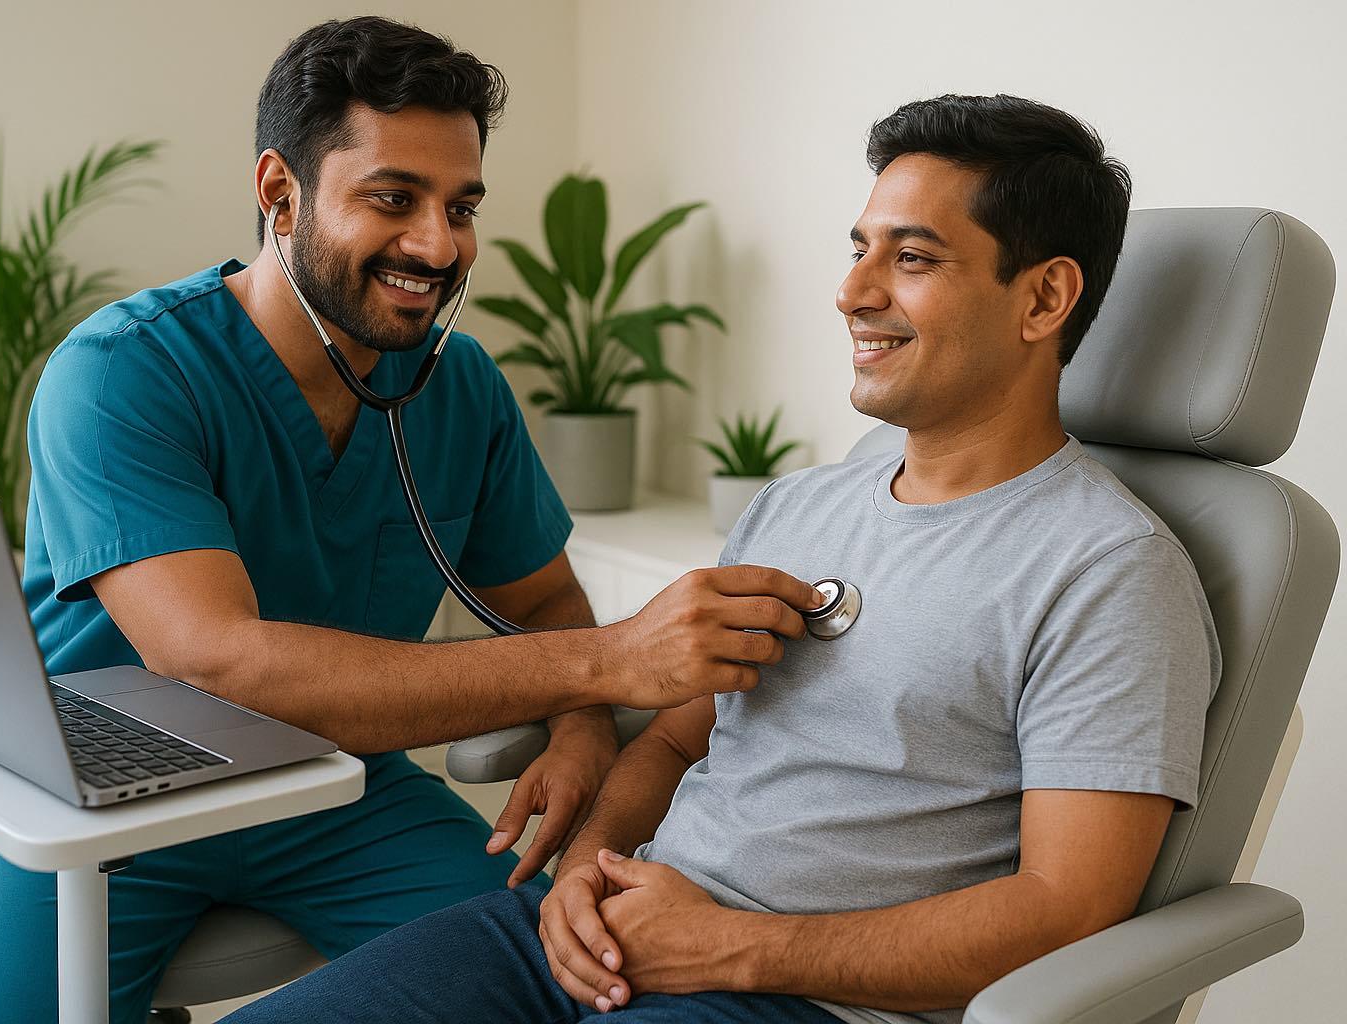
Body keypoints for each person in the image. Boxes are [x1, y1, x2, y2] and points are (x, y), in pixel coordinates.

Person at [218, 94, 1222, 1024]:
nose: (852, 292)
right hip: (606, 928)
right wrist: (583, 873)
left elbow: (1065, 909)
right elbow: (669, 743)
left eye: (911, 259)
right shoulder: (798, 505)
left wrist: (731, 948)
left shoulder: (1107, 571)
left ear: (1044, 298)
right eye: (860, 249)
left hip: (791, 996)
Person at [0, 17, 821, 1023]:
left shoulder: (459, 388)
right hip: (95, 794)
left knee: (571, 978)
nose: (439, 246)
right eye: (394, 198)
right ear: (280, 192)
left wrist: (580, 728)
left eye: (461, 207)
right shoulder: (123, 372)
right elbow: (218, 662)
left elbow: (539, 601)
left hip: (328, 793)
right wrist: (610, 665)